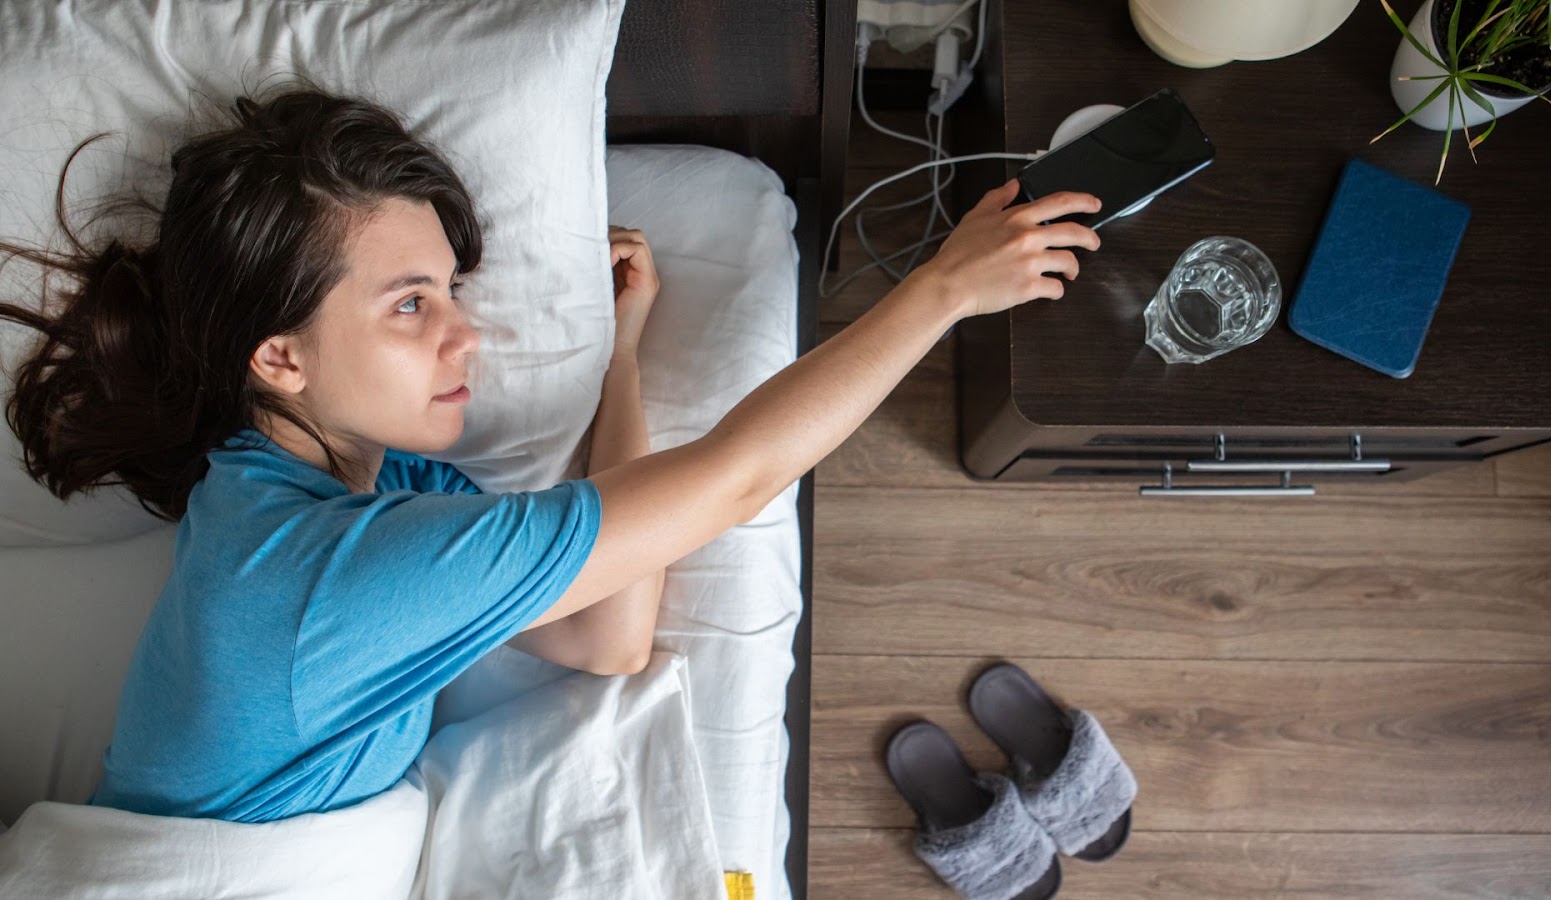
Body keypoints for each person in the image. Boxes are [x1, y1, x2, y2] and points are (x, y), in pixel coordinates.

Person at [0, 87, 1102, 824]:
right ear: (280, 356)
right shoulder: (336, 569)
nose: (466, 335)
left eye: (451, 291)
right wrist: (941, 292)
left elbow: (606, 634)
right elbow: (736, 479)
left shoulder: (365, 485)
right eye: (410, 305)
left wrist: (618, 360)